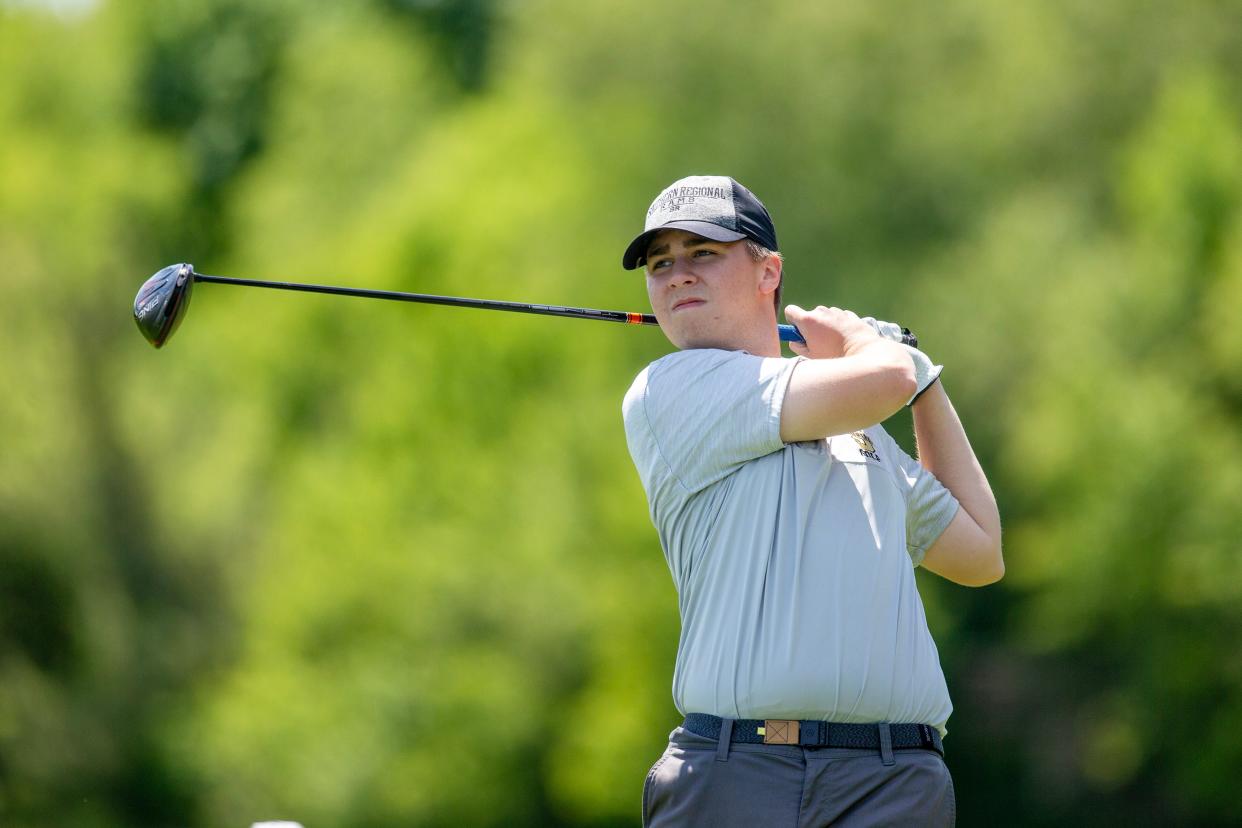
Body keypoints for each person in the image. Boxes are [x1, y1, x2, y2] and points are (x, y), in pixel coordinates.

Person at [620, 175, 1003, 827]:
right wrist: (872, 348)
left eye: (703, 252)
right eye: (661, 263)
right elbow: (880, 377)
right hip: (739, 772)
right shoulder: (672, 389)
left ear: (768, 270)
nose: (678, 273)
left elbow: (980, 551)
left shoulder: (862, 429)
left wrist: (925, 381)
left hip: (894, 782)